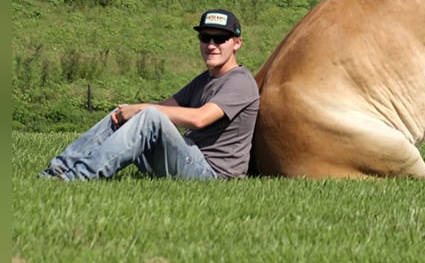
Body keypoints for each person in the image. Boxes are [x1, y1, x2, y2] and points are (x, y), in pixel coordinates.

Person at [40, 9, 260, 181]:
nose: (211, 45)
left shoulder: (240, 81)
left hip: (212, 174)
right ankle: (56, 171)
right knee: (126, 114)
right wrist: (131, 112)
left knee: (148, 115)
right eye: (205, 37)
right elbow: (167, 106)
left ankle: (76, 178)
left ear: (237, 43)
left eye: (220, 39)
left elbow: (199, 119)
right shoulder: (205, 79)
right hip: (186, 159)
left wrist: (142, 109)